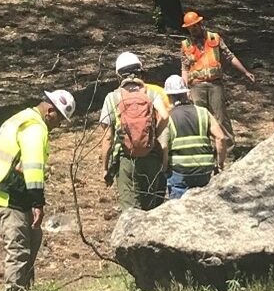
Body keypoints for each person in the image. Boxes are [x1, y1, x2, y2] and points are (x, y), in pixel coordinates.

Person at [0, 89, 75, 291]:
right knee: (18, 247)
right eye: (59, 119)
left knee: (33, 239)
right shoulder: (35, 127)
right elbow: (33, 166)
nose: (59, 125)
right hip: (7, 192)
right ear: (50, 111)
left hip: (10, 189)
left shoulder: (22, 118)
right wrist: (38, 203)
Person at [100, 52, 170, 210]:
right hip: (151, 156)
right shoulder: (151, 93)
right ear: (140, 72)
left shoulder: (112, 98)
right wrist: (155, 134)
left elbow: (108, 138)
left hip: (126, 158)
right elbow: (165, 116)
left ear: (119, 75)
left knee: (130, 211)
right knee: (150, 208)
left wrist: (105, 168)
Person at [180, 11, 255, 143]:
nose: (193, 29)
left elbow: (229, 56)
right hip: (196, 86)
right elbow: (184, 68)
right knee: (200, 118)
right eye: (190, 28)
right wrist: (185, 89)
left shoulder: (214, 38)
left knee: (221, 117)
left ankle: (228, 147)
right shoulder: (185, 45)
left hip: (215, 84)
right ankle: (205, 146)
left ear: (200, 24)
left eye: (195, 26)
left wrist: (245, 72)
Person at [163, 75, 227, 199]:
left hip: (180, 171)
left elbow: (164, 145)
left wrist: (165, 168)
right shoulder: (203, 112)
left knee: (179, 207)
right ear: (186, 94)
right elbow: (220, 138)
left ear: (169, 97)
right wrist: (220, 164)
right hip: (204, 170)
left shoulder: (168, 117)